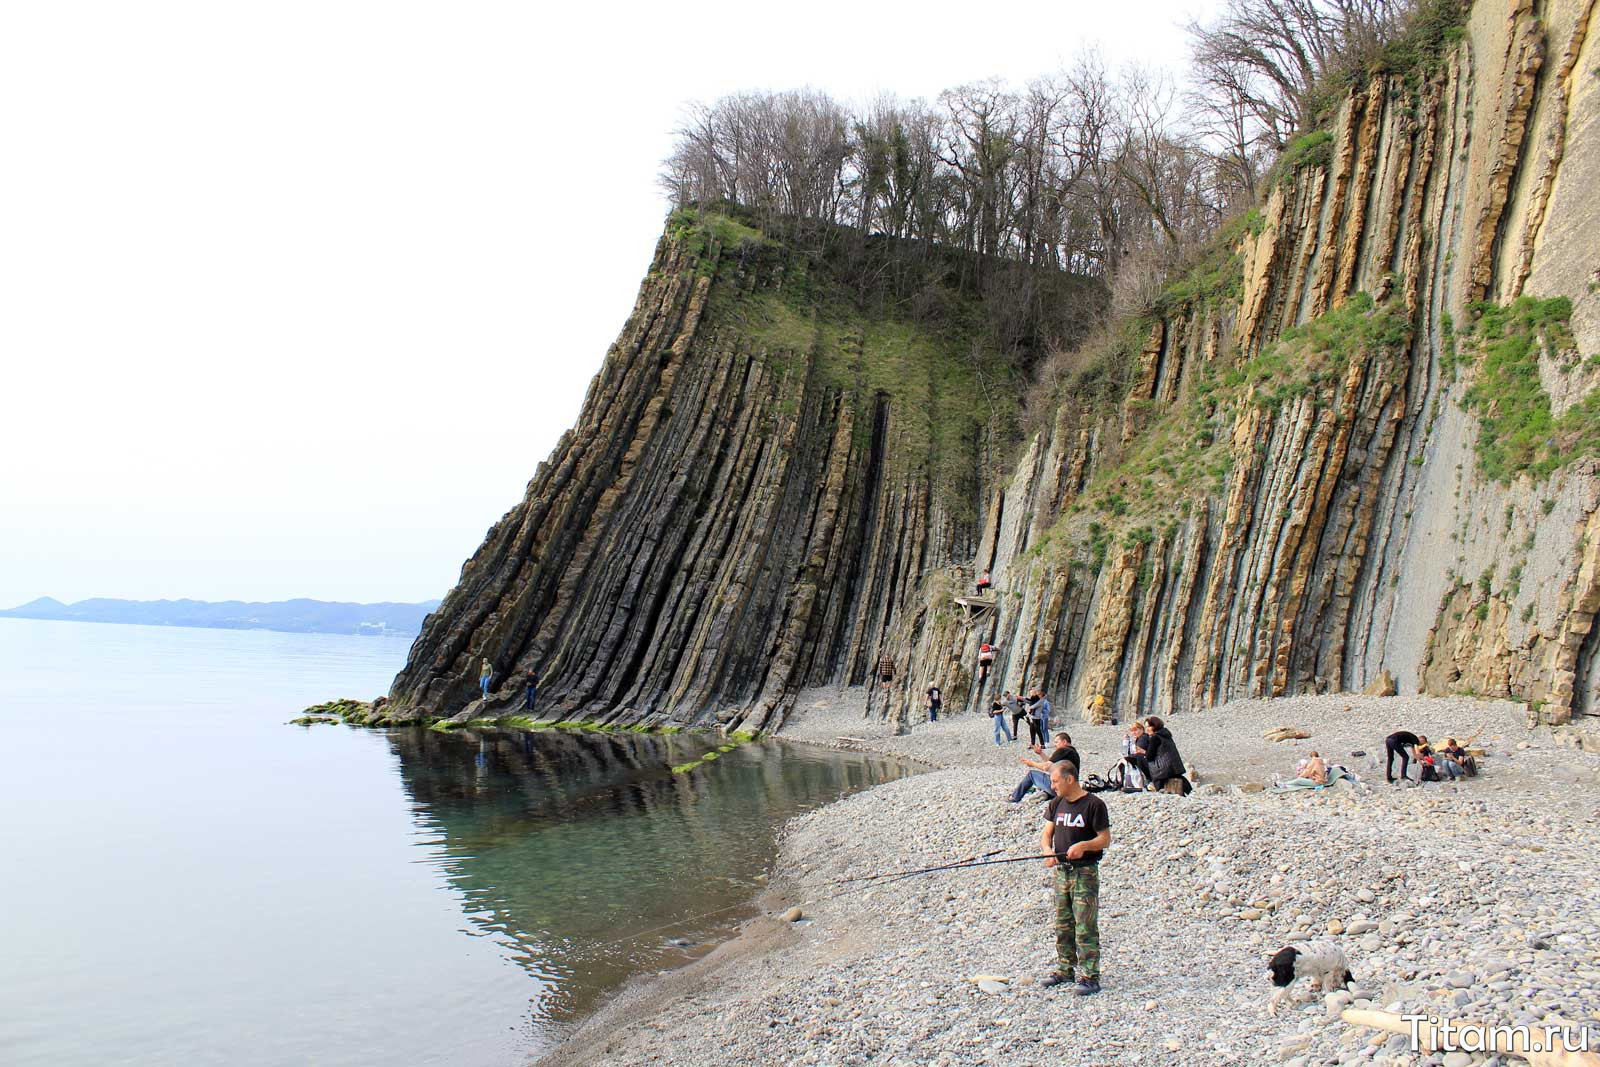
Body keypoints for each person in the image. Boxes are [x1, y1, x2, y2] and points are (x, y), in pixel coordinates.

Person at [1039, 760, 1111, 995]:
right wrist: (1048, 852)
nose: (1053, 785)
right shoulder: (1056, 803)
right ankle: (1064, 969)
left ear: (1070, 779)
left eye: (1055, 781)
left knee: (1085, 925)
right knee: (1063, 923)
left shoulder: (1094, 805)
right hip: (1062, 873)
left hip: (1085, 872)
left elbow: (1104, 839)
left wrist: (1084, 846)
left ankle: (1090, 976)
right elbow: (1046, 835)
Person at [1010, 732, 1080, 802]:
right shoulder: (1073, 753)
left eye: (1056, 742)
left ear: (1064, 742)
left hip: (1058, 786)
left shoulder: (1063, 750)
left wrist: (1032, 763)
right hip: (1069, 788)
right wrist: (1041, 753)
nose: (1055, 745)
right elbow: (1051, 764)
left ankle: (1014, 797)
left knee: (1031, 774)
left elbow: (1046, 767)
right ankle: (1047, 794)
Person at [1137, 715, 1187, 792]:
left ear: (1155, 726)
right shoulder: (1166, 735)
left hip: (1164, 770)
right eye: (1146, 727)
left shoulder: (1155, 737)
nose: (1147, 730)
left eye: (1148, 727)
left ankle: (1150, 782)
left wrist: (1142, 751)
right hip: (1175, 768)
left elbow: (1149, 757)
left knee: (1139, 758)